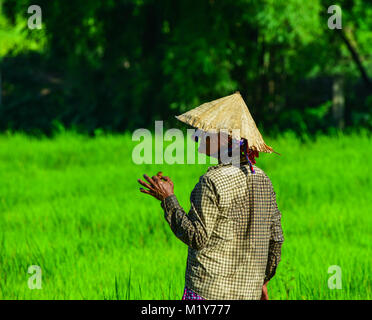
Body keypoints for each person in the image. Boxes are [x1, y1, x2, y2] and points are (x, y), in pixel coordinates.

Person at [138, 92, 284, 300]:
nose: (197, 135)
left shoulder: (211, 181)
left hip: (208, 294)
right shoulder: (263, 180)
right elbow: (276, 240)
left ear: (225, 139)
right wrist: (261, 281)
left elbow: (196, 237)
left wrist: (168, 199)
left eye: (205, 131)